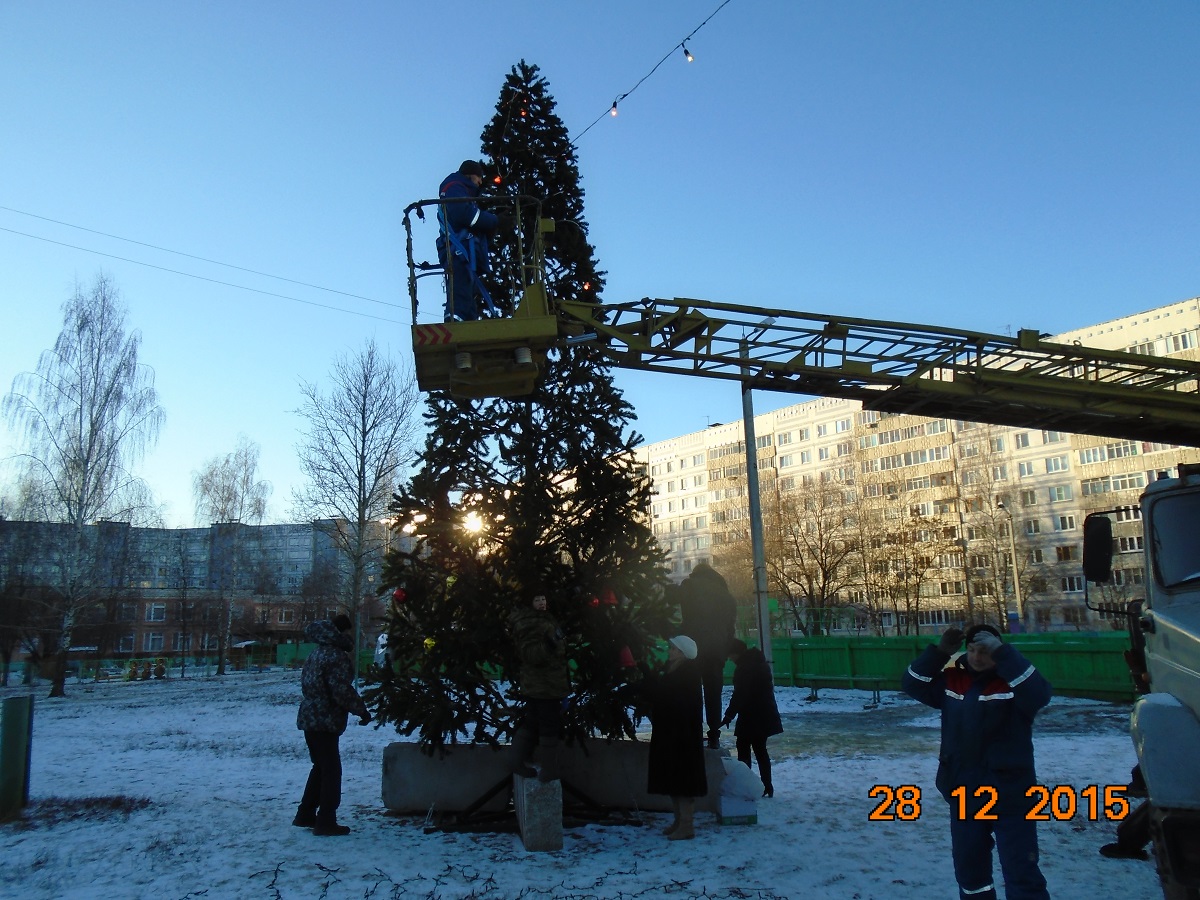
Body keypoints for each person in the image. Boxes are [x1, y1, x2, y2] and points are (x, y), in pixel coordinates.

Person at [903, 623, 1052, 900]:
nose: (976, 657)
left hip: (1010, 796)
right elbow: (911, 682)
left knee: (1021, 872)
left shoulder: (1012, 682)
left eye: (984, 651)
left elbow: (1040, 694)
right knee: (971, 874)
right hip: (964, 793)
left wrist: (1005, 654)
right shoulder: (953, 681)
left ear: (997, 651)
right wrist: (940, 652)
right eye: (971, 650)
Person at [294, 614, 370, 836]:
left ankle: (305, 813)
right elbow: (341, 691)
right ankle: (326, 820)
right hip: (325, 719)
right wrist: (361, 710)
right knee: (331, 770)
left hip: (310, 717)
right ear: (341, 633)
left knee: (320, 766)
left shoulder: (316, 653)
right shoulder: (335, 656)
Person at [646, 634, 708, 841]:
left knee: (683, 780)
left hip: (682, 734)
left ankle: (687, 825)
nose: (670, 651)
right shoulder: (674, 670)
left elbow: (676, 700)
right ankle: (678, 820)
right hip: (672, 732)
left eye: (673, 649)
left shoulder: (687, 673)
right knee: (674, 779)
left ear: (682, 653)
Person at [508, 589, 570, 782]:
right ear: (530, 603)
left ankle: (516, 761)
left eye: (543, 598)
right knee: (548, 726)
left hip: (545, 684)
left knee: (533, 722)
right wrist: (552, 642)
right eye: (537, 599)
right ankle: (549, 769)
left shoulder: (543, 618)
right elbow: (532, 655)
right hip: (543, 686)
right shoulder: (529, 623)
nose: (542, 602)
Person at [678, 562, 737, 748]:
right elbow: (730, 629)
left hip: (694, 648)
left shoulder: (689, 586)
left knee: (693, 691)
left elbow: (683, 615)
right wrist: (724, 649)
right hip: (717, 651)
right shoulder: (727, 596)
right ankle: (714, 736)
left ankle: (694, 732)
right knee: (713, 693)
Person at [437, 159, 499, 322]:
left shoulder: (461, 191)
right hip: (458, 250)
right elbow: (465, 215)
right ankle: (455, 319)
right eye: (479, 178)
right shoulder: (454, 188)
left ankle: (467, 321)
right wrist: (494, 221)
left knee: (467, 289)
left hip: (462, 250)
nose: (480, 182)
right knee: (461, 285)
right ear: (471, 175)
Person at [720, 639, 783, 798]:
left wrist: (729, 715)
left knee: (743, 748)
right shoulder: (758, 662)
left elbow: (740, 693)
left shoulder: (745, 667)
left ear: (736, 653)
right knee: (760, 750)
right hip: (764, 713)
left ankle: (745, 785)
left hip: (752, 714)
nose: (729, 659)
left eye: (730, 655)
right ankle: (767, 786)